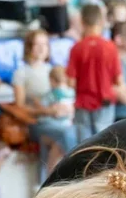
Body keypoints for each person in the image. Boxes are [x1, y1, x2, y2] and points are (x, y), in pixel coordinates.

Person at [12, 29, 77, 172]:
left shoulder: (54, 70)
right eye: (37, 44)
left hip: (60, 120)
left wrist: (66, 109)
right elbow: (20, 107)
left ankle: (47, 182)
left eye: (45, 44)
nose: (42, 48)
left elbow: (68, 96)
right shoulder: (21, 72)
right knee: (66, 133)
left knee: (63, 138)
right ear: (29, 47)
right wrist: (47, 112)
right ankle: (77, 172)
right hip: (37, 122)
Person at [67, 3, 122, 141]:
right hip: (105, 103)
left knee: (84, 147)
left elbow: (70, 81)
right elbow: (118, 80)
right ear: (101, 21)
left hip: (83, 103)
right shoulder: (110, 47)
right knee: (104, 145)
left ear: (82, 21)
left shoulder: (76, 48)